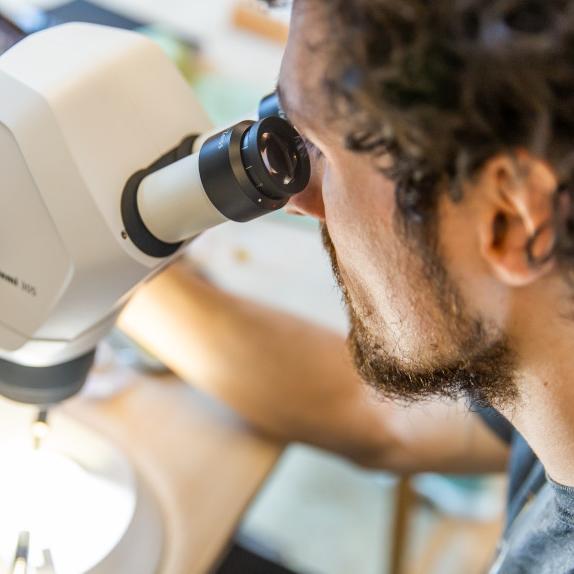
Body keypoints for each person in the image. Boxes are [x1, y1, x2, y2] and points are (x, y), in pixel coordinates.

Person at [119, 1, 574, 571]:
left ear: (508, 219)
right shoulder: (544, 361)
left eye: (322, 152)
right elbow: (376, 416)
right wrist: (101, 270)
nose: (298, 201)